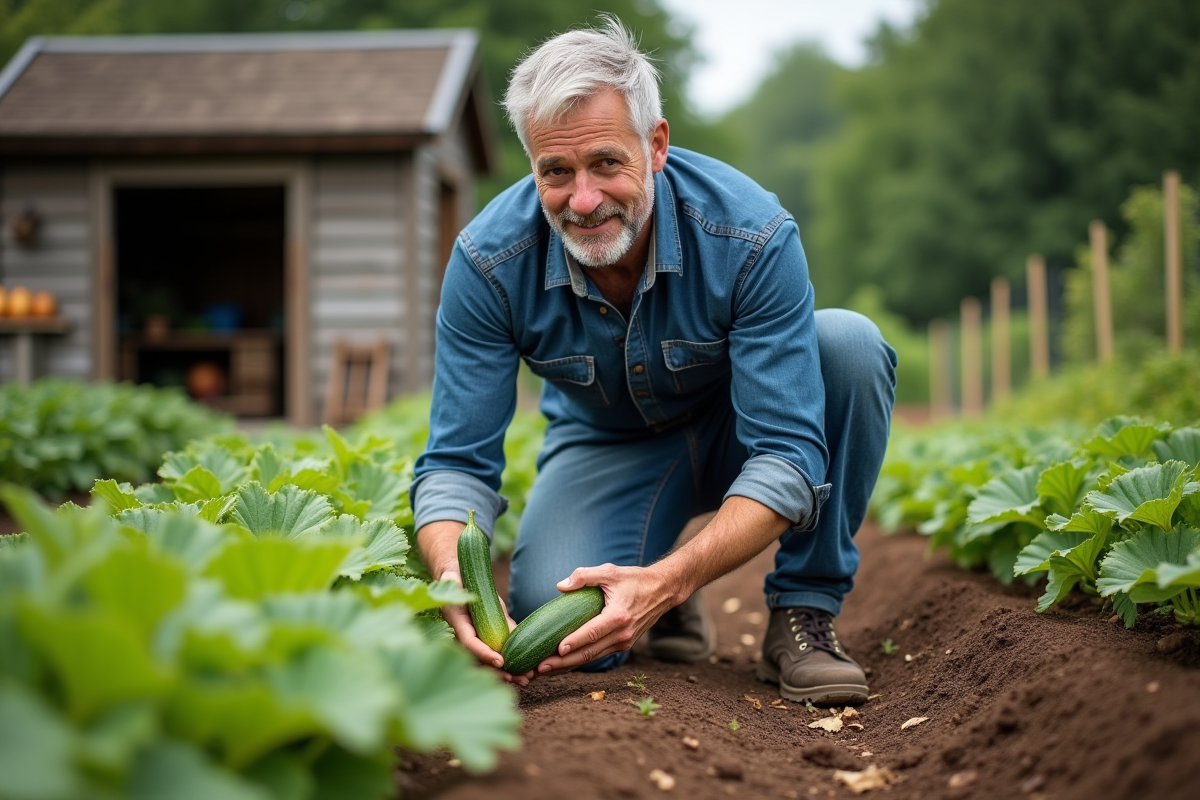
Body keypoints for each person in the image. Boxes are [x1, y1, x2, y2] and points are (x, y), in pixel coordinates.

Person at [411, 17, 896, 705]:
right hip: (607, 445)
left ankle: (803, 611)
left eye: (606, 163)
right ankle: (647, 578)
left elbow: (787, 455)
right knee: (569, 647)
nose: (583, 200)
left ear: (656, 145)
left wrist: (674, 576)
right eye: (557, 172)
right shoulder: (490, 264)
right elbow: (456, 463)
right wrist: (450, 577)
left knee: (848, 347)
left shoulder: (750, 234)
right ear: (532, 166)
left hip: (740, 432)